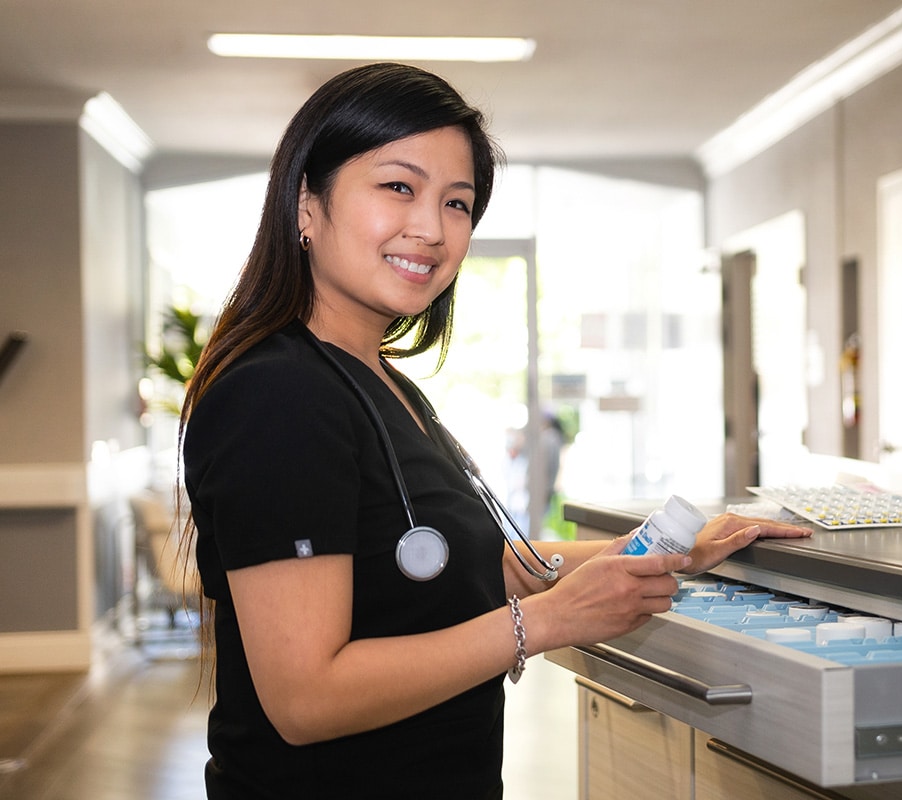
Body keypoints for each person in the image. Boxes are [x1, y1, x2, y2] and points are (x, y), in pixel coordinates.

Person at [180, 62, 811, 799]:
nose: (431, 227)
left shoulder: (379, 382)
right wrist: (543, 623)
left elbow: (472, 563)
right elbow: (305, 699)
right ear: (305, 205)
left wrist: (669, 551)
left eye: (458, 203)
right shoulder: (278, 394)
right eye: (397, 187)